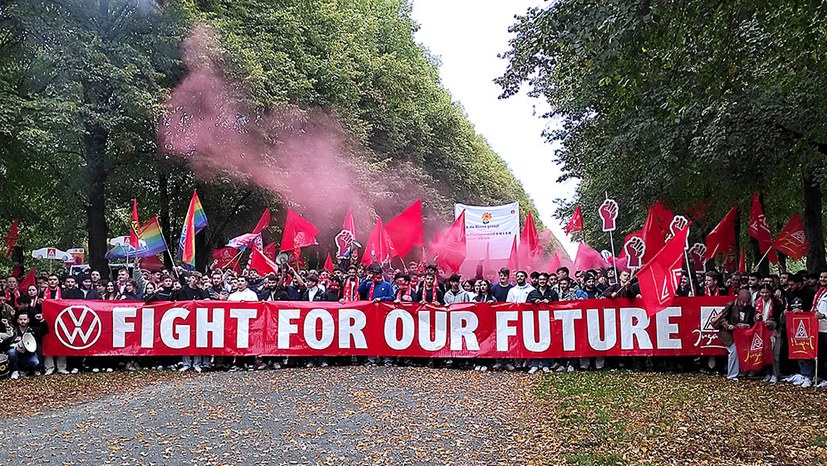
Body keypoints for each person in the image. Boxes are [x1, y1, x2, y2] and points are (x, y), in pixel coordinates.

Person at [712, 290, 755, 381]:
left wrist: (747, 326)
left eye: (747, 302)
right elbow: (722, 318)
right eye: (743, 302)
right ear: (738, 299)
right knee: (734, 351)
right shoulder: (730, 305)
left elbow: (752, 322)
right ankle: (732, 375)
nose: (744, 304)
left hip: (742, 335)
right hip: (728, 334)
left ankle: (744, 371)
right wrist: (728, 326)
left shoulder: (750, 309)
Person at [5, 310, 48, 380]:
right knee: (11, 352)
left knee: (35, 362)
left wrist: (42, 320)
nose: (23, 321)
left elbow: (45, 330)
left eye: (25, 319)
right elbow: (6, 344)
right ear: (18, 321)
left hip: (28, 354)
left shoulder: (33, 330)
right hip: (16, 353)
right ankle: (15, 371)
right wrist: (15, 347)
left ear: (28, 320)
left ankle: (26, 371)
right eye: (21, 319)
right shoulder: (13, 331)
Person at [754, 284, 782, 384]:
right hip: (760, 331)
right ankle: (767, 373)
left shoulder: (777, 303)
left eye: (766, 292)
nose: (764, 294)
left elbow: (779, 319)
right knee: (764, 353)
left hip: (773, 331)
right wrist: (756, 317)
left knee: (775, 353)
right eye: (762, 292)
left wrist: (772, 323)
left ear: (770, 293)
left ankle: (775, 374)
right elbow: (753, 317)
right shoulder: (756, 302)